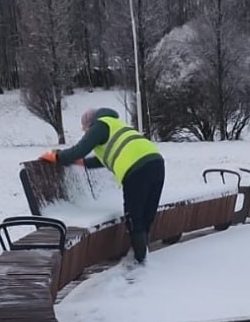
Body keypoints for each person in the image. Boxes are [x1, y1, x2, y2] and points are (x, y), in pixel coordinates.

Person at [40, 108, 165, 263]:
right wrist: (83, 163)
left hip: (137, 170)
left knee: (134, 218)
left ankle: (140, 262)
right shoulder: (116, 124)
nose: (85, 132)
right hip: (156, 163)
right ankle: (142, 256)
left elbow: (78, 150)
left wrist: (56, 156)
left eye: (85, 128)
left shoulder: (99, 126)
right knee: (146, 215)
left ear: (89, 124)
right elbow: (108, 156)